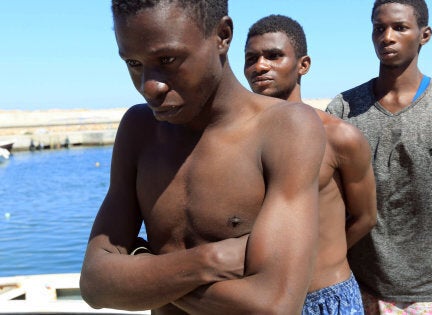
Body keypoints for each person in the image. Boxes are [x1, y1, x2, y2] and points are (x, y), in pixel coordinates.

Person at [80, 1, 328, 314]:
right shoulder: (139, 129)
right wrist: (211, 260)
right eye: (134, 63)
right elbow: (94, 284)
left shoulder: (286, 128)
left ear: (222, 35)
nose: (149, 86)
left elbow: (274, 306)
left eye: (168, 59)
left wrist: (142, 269)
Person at [327, 1, 432, 314]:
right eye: (379, 28)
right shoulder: (343, 109)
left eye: (400, 27)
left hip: (424, 291)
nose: (387, 36)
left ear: (425, 34)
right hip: (355, 283)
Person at [243, 14, 377, 314]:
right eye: (251, 58)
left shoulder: (339, 137)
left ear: (303, 65)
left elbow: (365, 216)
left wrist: (319, 255)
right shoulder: (238, 139)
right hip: (259, 298)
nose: (260, 66)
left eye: (274, 56)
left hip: (326, 296)